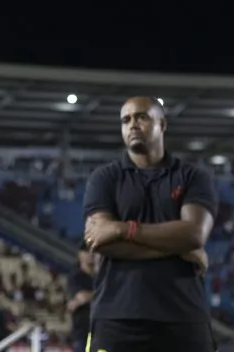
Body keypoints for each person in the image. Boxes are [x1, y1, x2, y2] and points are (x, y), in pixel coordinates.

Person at [82, 96, 217, 352]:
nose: (132, 124)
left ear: (162, 124)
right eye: (126, 120)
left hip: (184, 316)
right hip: (116, 318)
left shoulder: (193, 177)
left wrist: (124, 229)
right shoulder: (104, 178)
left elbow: (195, 233)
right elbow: (101, 241)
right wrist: (179, 247)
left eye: (141, 117)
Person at [66, 240, 95, 352]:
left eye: (92, 250)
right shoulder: (76, 276)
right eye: (86, 251)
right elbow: (82, 296)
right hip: (82, 332)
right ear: (79, 255)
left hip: (100, 330)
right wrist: (102, 295)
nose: (90, 254)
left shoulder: (102, 275)